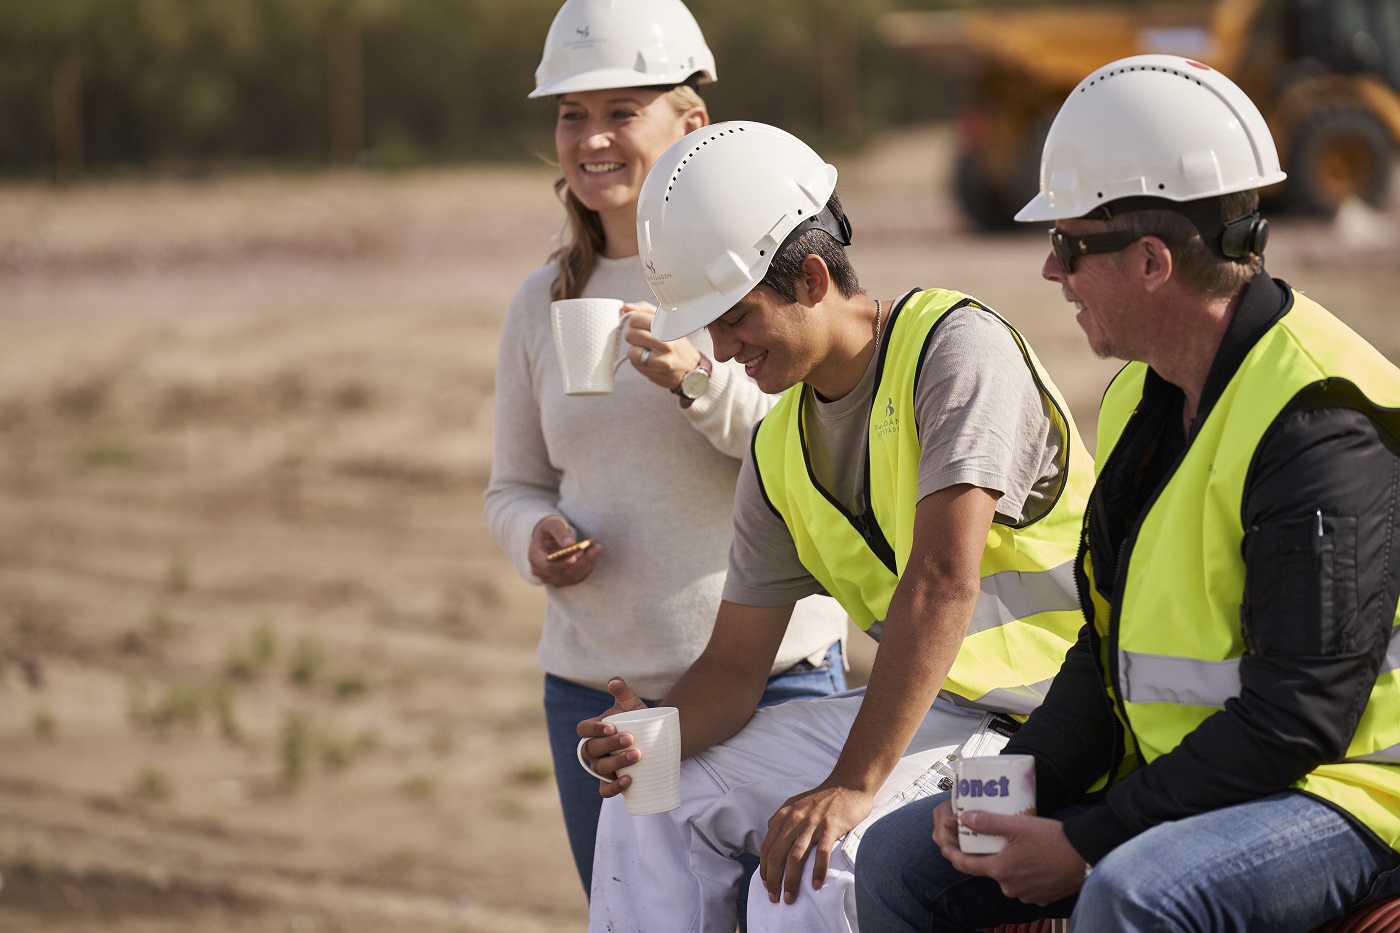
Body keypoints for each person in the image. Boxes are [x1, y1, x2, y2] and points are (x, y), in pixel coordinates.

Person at [854, 54, 1400, 932]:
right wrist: (1007, 788)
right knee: (900, 859)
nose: (1049, 272)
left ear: (1151, 261)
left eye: (1067, 246)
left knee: (1136, 889)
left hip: (1348, 795)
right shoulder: (1143, 396)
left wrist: (1090, 838)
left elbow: (1297, 720)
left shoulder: (1317, 420)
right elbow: (1104, 652)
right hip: (1206, 777)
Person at [577, 120, 1095, 933]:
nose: (721, 347)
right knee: (651, 795)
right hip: (930, 719)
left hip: (1052, 731)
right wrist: (652, 734)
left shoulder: (956, 349)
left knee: (818, 864)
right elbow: (735, 665)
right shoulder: (779, 447)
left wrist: (852, 785)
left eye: (737, 316)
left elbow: (942, 581)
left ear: (813, 277)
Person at [482, 0, 848, 898]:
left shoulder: (743, 268)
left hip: (769, 685)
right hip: (602, 700)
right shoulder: (539, 301)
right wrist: (532, 536)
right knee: (648, 917)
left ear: (692, 125)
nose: (592, 138)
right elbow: (513, 485)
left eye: (620, 112)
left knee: (784, 917)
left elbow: (803, 456)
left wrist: (699, 379)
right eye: (573, 113)